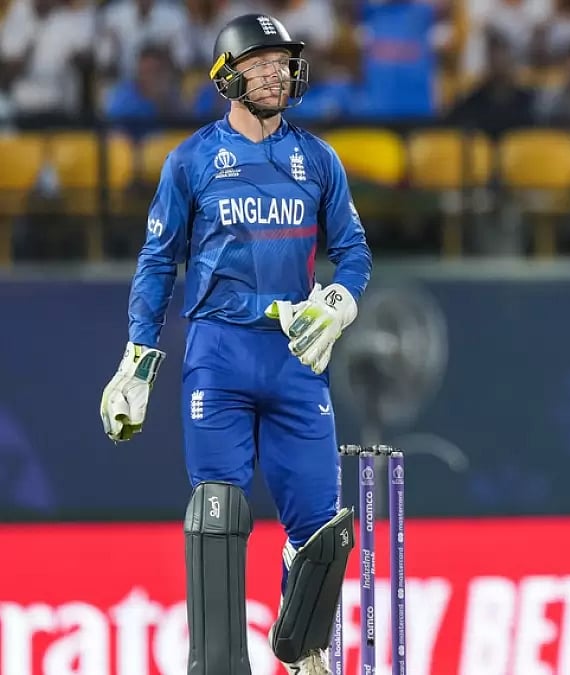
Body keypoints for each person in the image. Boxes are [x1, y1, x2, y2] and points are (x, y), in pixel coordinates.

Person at [99, 13, 372, 675]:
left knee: (321, 534)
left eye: (284, 61)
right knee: (217, 514)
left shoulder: (318, 159)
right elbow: (157, 263)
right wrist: (137, 359)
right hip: (218, 355)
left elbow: (354, 252)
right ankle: (217, 664)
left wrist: (340, 300)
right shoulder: (192, 160)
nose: (278, 72)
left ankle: (304, 652)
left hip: (297, 359)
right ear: (228, 75)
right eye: (262, 61)